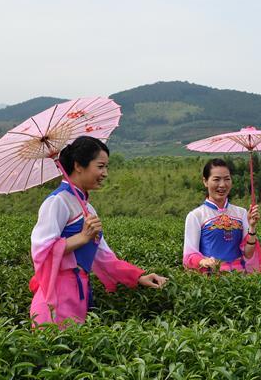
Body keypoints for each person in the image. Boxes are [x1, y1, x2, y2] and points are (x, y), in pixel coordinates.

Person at [29, 136, 167, 327]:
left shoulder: (88, 209)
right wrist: (82, 237)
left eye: (106, 167)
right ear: (78, 166)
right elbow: (41, 251)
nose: (105, 173)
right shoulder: (57, 202)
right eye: (100, 166)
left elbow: (104, 257)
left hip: (79, 294)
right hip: (56, 297)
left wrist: (138, 276)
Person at [183, 158, 261, 273]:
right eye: (216, 179)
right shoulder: (196, 216)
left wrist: (252, 227)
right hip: (212, 278)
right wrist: (203, 261)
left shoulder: (241, 213)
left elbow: (248, 254)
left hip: (239, 277)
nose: (222, 185)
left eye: (227, 179)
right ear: (205, 181)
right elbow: (189, 255)